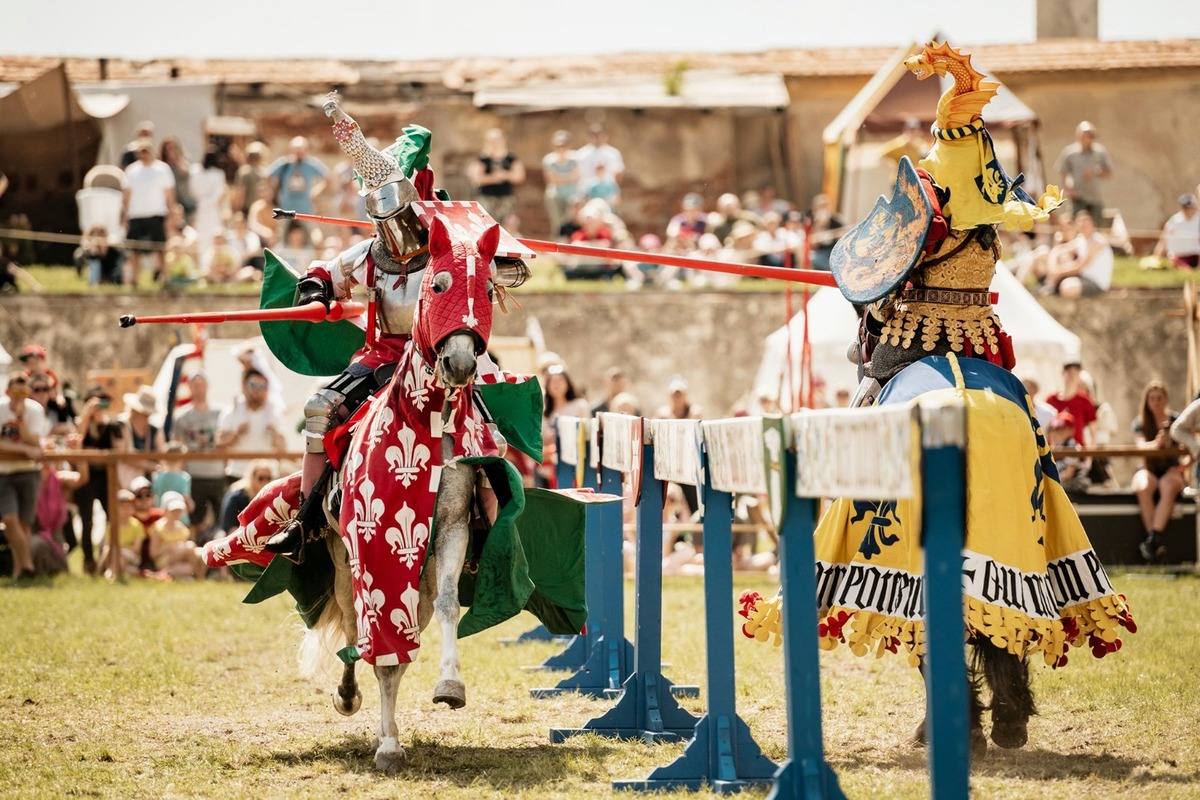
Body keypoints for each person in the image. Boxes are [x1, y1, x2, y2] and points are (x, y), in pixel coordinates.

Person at [1131, 380, 1184, 563]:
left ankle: (1151, 541)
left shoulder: (1177, 420)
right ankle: (1154, 540)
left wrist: (1183, 466)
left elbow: (1191, 444)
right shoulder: (1140, 422)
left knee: (1167, 485)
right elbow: (1140, 446)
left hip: (1172, 470)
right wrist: (1157, 444)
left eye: (1159, 398)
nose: (1156, 402)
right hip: (1148, 469)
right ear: (1147, 401)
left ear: (1166, 399)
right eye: (1152, 399)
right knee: (1144, 486)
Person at [0, 374, 47, 579]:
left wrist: (20, 421)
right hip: (4, 472)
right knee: (10, 520)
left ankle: (20, 573)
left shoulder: (35, 410)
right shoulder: (0, 409)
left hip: (29, 471)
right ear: (7, 391)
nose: (20, 397)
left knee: (25, 525)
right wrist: (24, 449)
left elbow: (36, 443)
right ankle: (28, 565)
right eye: (16, 392)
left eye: (24, 392)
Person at [171, 371, 226, 542]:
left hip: (217, 473)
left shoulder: (221, 413)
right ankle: (195, 557)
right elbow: (179, 447)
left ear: (207, 386)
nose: (199, 389)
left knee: (221, 518)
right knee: (194, 520)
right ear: (190, 388)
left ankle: (221, 558)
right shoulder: (182, 416)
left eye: (202, 385)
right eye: (195, 385)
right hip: (194, 474)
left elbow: (225, 442)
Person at [121, 137, 176, 285]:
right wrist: (124, 215)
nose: (143, 154)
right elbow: (127, 195)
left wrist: (171, 214)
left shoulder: (162, 169)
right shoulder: (131, 171)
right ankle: (135, 279)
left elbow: (169, 194)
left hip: (156, 214)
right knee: (135, 249)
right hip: (136, 215)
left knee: (161, 248)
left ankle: (166, 278)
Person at [216, 367, 287, 481]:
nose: (257, 390)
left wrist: (275, 434)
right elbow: (219, 445)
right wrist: (236, 435)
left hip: (266, 477)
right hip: (238, 474)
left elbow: (282, 448)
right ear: (245, 386)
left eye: (262, 386)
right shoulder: (231, 412)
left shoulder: (275, 414)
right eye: (253, 385)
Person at [537, 365, 591, 489]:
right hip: (550, 467)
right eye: (552, 381)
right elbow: (540, 439)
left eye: (560, 380)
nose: (556, 385)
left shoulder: (580, 405)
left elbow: (588, 432)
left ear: (568, 383)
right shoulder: (543, 411)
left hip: (578, 462)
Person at [1053, 121, 1113, 224]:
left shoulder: (1100, 152)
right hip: (1078, 199)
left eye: (1090, 136)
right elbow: (1062, 172)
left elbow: (1109, 173)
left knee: (1097, 228)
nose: (1087, 138)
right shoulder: (1070, 153)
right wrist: (1069, 190)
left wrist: (1095, 172)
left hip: (1095, 197)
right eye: (1085, 135)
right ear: (1078, 136)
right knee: (1076, 227)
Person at [467, 127, 525, 221]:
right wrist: (493, 178)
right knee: (486, 223)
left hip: (506, 198)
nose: (495, 143)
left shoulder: (511, 158)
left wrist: (505, 175)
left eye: (498, 140)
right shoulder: (482, 159)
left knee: (505, 226)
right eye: (492, 140)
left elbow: (519, 176)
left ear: (503, 140)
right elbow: (475, 178)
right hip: (486, 198)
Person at [268, 135, 329, 221]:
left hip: (305, 208)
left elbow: (327, 177)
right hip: (286, 208)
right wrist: (276, 192)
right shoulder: (284, 164)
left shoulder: (311, 164)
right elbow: (268, 176)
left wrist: (315, 192)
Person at [148, 490, 205, 580]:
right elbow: (153, 553)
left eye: (179, 511)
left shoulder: (182, 528)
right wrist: (167, 548)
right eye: (173, 511)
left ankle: (195, 576)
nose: (176, 514)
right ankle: (198, 575)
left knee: (201, 553)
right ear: (165, 510)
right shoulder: (158, 528)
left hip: (181, 559)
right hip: (165, 559)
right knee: (190, 546)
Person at [1046, 361, 1098, 446]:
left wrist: (1089, 457)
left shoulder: (1085, 401)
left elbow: (1093, 432)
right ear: (1062, 373)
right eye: (1069, 372)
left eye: (1076, 372)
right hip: (1054, 453)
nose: (1072, 375)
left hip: (1077, 453)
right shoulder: (1051, 400)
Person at [97, 489, 146, 578]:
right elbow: (107, 545)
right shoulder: (112, 526)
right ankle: (107, 571)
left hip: (131, 556)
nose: (126, 510)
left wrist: (119, 547)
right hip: (113, 554)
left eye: (129, 507)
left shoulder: (137, 525)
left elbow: (136, 549)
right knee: (113, 553)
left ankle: (109, 572)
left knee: (119, 554)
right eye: (123, 507)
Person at [574, 124, 625, 207]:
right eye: (594, 136)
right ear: (588, 137)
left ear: (605, 136)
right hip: (587, 193)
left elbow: (619, 174)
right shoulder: (581, 155)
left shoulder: (613, 153)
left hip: (609, 193)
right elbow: (577, 175)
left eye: (599, 135)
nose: (597, 138)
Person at [542, 130, 579, 238]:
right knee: (557, 222)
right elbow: (551, 179)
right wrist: (567, 177)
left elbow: (576, 176)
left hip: (572, 196)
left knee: (570, 221)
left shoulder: (575, 158)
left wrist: (560, 178)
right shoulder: (549, 159)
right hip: (555, 195)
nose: (561, 148)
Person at [1153, 193, 1200, 269]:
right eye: (1186, 208)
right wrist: (1156, 257)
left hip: (1196, 254)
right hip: (1180, 255)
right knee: (1185, 269)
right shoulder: (1174, 221)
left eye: (1191, 208)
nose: (1189, 211)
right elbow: (1164, 240)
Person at [232, 141, 268, 216]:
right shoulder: (264, 172)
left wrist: (236, 211)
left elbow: (241, 193)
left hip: (246, 210)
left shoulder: (244, 172)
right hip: (259, 211)